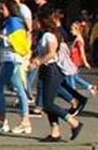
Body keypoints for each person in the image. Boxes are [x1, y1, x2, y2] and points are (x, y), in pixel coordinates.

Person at [31, 12, 83, 142]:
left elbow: (51, 54)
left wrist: (38, 61)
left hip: (51, 70)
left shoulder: (49, 35)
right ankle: (55, 132)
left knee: (48, 104)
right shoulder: (44, 35)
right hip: (45, 70)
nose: (34, 23)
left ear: (42, 22)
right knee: (48, 102)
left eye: (36, 20)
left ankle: (74, 122)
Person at [0, 0, 31, 135]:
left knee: (17, 89)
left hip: (13, 60)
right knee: (13, 88)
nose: (0, 11)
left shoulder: (15, 22)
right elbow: (7, 40)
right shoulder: (9, 22)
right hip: (8, 60)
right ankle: (5, 120)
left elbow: (19, 42)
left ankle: (22, 121)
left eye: (2, 8)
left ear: (10, 9)